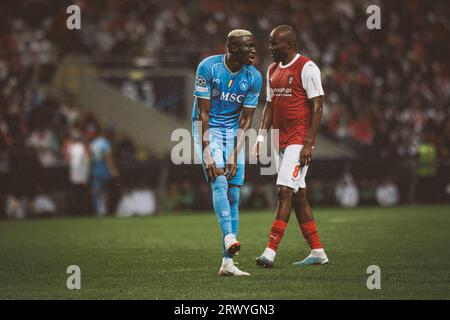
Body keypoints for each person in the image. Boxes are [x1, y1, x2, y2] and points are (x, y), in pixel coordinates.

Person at [252, 25, 329, 267]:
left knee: (283, 190)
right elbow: (270, 105)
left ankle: (270, 252)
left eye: (275, 43)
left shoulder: (306, 67)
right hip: (280, 141)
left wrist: (309, 143)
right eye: (270, 43)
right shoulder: (272, 70)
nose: (271, 48)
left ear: (289, 45)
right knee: (298, 195)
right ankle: (318, 252)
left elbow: (317, 105)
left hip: (299, 141)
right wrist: (261, 137)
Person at [192, 29, 262, 276]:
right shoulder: (208, 68)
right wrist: (208, 152)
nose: (254, 50)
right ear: (232, 48)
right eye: (248, 46)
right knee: (219, 180)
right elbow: (202, 115)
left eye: (254, 46)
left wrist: (235, 152)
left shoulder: (254, 77)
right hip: (208, 129)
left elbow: (246, 120)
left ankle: (227, 263)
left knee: (234, 196)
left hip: (234, 133)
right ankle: (229, 235)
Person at [89, 128, 119, 216]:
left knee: (96, 192)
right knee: (106, 191)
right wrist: (113, 170)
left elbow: (91, 158)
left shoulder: (93, 143)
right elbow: (108, 158)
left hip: (95, 169)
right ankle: (104, 210)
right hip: (103, 169)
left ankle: (98, 211)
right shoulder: (106, 144)